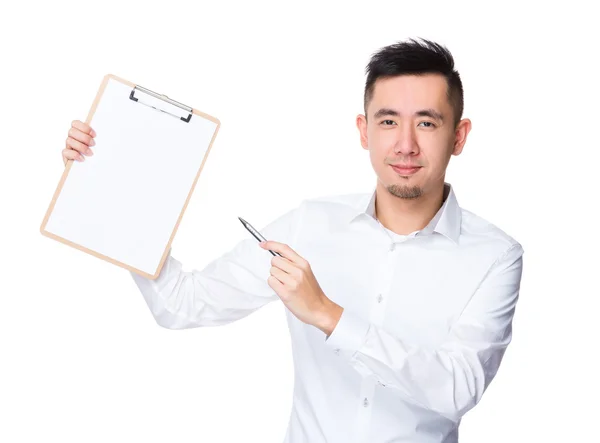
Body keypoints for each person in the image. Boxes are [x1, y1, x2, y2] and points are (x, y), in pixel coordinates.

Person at [61, 37, 524, 443]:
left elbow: (457, 390)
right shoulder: (309, 224)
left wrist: (326, 313)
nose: (405, 144)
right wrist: (111, 186)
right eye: (387, 121)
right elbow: (182, 305)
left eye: (426, 122)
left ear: (458, 136)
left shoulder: (495, 256)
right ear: (364, 131)